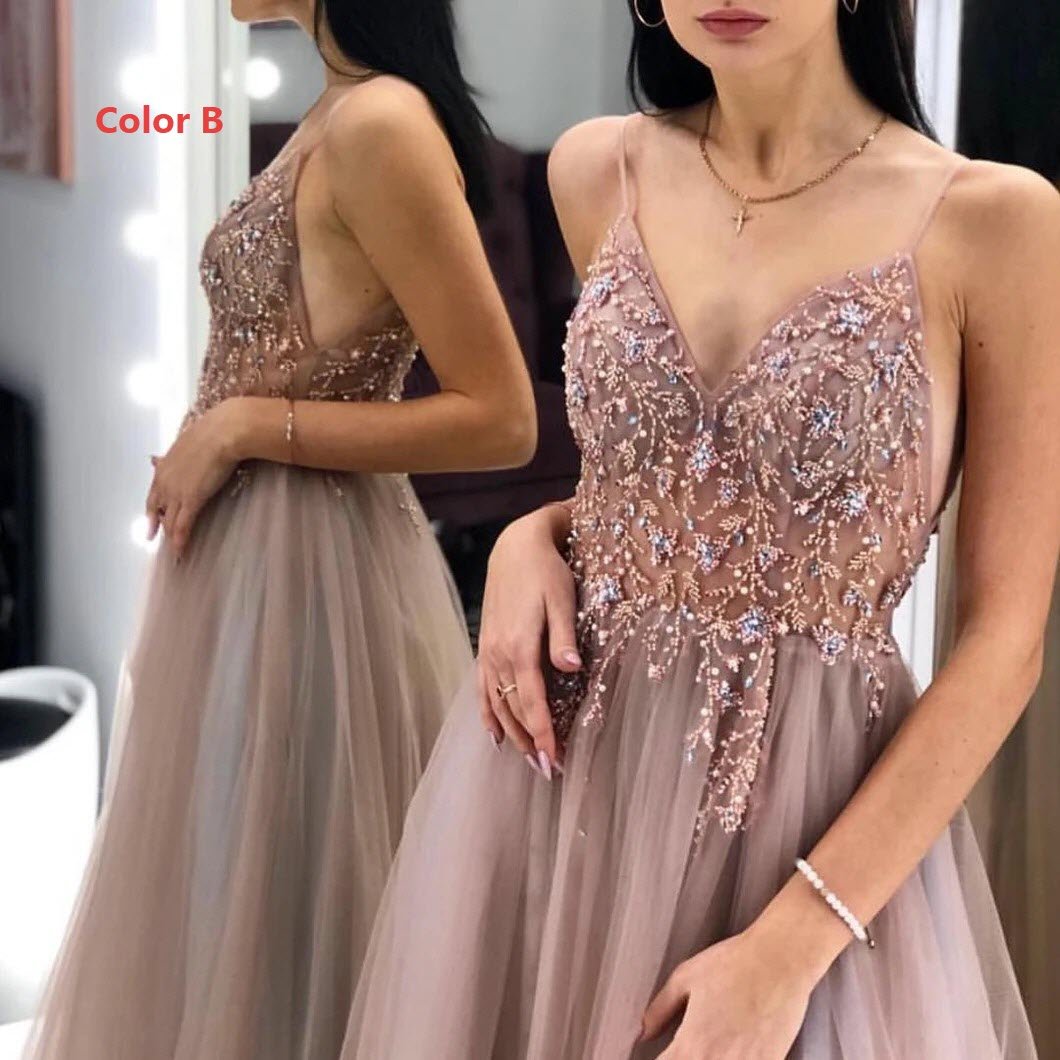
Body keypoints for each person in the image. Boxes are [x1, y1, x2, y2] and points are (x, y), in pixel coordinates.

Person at [341, 0, 1059, 1056]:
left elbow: (1004, 640)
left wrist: (796, 941)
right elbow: (666, 482)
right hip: (562, 787)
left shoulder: (996, 221)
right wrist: (534, 536)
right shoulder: (597, 170)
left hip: (808, 826)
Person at [24, 1, 535, 1057]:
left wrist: (245, 424)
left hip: (311, 578)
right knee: (241, 902)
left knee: (295, 903)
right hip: (253, 565)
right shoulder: (340, 109)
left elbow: (501, 416)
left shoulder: (379, 122)